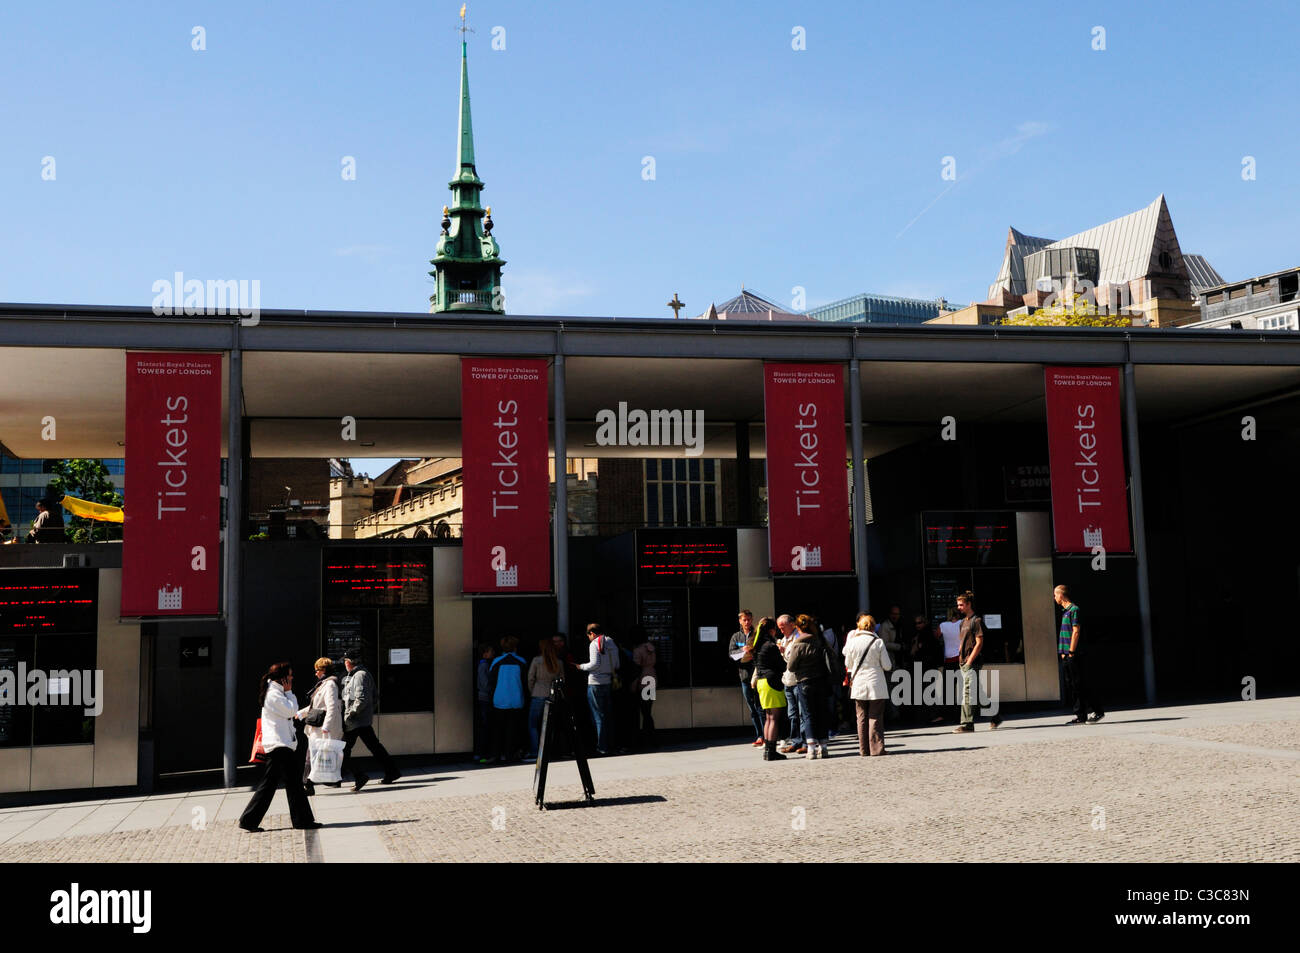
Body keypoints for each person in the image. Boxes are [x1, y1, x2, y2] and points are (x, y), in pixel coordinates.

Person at [240, 662, 320, 832]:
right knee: (282, 784)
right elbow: (291, 711)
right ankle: (250, 819)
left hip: (281, 744)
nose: (292, 678)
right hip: (279, 745)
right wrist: (290, 692)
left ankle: (300, 820)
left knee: (285, 784)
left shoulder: (275, 692)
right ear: (282, 678)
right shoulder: (274, 694)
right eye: (289, 675)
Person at [340, 649, 401, 791]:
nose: (344, 663)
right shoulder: (357, 675)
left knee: (342, 751)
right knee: (374, 747)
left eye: (345, 661)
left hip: (356, 721)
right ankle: (391, 771)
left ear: (350, 662)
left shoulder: (360, 675)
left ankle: (359, 776)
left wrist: (350, 714)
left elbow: (361, 699)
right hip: (360, 721)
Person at [952, 591, 1001, 732]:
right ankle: (995, 717)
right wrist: (960, 658)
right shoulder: (962, 622)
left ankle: (967, 724)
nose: (959, 607)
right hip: (964, 663)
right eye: (958, 605)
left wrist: (969, 661)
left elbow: (979, 643)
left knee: (967, 692)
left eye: (961, 605)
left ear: (968, 604)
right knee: (978, 693)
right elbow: (962, 642)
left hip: (972, 662)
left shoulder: (976, 621)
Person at [843, 615, 892, 756]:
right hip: (875, 683)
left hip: (858, 682)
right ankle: (876, 749)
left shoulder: (852, 642)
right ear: (872, 626)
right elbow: (887, 666)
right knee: (875, 716)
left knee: (861, 717)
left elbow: (848, 664)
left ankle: (863, 749)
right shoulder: (878, 642)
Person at [1056, 585, 1104, 725]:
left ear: (1062, 595)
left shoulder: (1074, 610)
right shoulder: (1065, 612)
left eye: (1055, 595)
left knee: (1081, 684)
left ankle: (1097, 710)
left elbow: (1076, 631)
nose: (1054, 598)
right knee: (1073, 686)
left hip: (1074, 654)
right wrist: (1064, 654)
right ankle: (1080, 715)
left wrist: (1071, 652)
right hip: (1066, 655)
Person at [786, 613, 832, 759]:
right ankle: (823, 747)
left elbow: (791, 666)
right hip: (821, 681)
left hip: (804, 682)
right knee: (821, 713)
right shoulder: (820, 641)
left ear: (798, 627)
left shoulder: (798, 644)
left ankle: (811, 749)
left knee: (808, 715)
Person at [298, 657, 343, 796]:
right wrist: (300, 714)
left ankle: (307, 785)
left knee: (311, 756)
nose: (316, 673)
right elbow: (316, 706)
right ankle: (326, 782)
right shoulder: (323, 684)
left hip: (322, 728)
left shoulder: (330, 685)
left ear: (324, 670)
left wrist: (327, 726)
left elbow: (332, 707)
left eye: (318, 670)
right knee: (315, 756)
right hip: (318, 727)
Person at [578, 623, 619, 755]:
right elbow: (617, 663)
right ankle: (611, 744)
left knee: (597, 716)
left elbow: (594, 664)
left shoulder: (594, 643)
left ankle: (601, 747)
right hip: (608, 682)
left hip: (595, 683)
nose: (588, 638)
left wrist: (581, 667)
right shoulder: (611, 642)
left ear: (592, 633)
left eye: (588, 635)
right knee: (608, 715)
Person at [751, 622, 788, 761]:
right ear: (772, 630)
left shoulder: (758, 645)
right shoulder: (771, 646)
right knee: (774, 718)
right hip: (771, 681)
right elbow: (782, 665)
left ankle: (768, 750)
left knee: (768, 717)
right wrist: (783, 653)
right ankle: (771, 751)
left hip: (761, 682)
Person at [728, 610, 765, 747]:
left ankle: (766, 735)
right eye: (744, 620)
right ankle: (759, 735)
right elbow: (732, 655)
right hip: (744, 676)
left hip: (757, 676)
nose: (747, 622)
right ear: (740, 621)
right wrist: (742, 651)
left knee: (760, 706)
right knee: (752, 708)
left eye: (749, 619)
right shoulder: (736, 637)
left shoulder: (757, 635)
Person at [489, 635, 528, 761]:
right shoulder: (521, 661)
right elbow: (526, 681)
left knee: (498, 728)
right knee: (513, 729)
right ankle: (510, 754)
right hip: (516, 699)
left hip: (499, 699)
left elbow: (491, 681)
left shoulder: (496, 661)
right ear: (515, 647)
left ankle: (496, 754)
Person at [526, 637, 562, 758]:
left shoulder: (536, 660)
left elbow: (530, 678)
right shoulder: (559, 662)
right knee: (549, 726)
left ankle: (535, 752)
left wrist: (532, 691)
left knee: (533, 725)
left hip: (538, 693)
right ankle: (549, 751)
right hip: (552, 695)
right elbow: (562, 681)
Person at [775, 615, 804, 754]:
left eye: (782, 627)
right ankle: (795, 740)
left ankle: (804, 741)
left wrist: (782, 652)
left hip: (797, 679)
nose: (781, 630)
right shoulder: (784, 639)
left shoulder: (797, 637)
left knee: (801, 712)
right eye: (779, 627)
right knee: (792, 714)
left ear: (791, 625)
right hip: (787, 680)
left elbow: (794, 659)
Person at [631, 628, 658, 749]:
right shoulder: (651, 648)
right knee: (648, 710)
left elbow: (637, 669)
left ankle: (647, 739)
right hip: (652, 679)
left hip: (643, 680)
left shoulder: (638, 651)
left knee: (644, 712)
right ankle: (651, 738)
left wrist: (634, 684)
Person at [939, 608, 962, 725]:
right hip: (960, 659)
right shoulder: (961, 623)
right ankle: (960, 714)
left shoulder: (942, 625)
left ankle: (950, 715)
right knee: (961, 689)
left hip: (948, 661)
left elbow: (936, 635)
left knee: (948, 690)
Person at [474, 642, 495, 764]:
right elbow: (484, 683)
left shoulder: (484, 664)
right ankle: (482, 753)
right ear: (485, 653)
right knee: (485, 725)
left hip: (484, 697)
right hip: (485, 698)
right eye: (491, 651)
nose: (493, 653)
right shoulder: (484, 665)